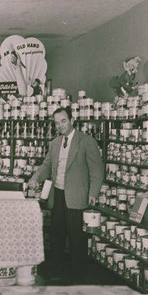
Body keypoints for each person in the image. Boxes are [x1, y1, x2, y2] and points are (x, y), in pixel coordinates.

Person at [28, 107, 104, 284]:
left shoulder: (86, 141)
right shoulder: (54, 143)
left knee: (77, 238)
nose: (60, 125)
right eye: (56, 122)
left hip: (77, 196)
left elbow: (97, 170)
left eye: (63, 121)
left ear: (72, 120)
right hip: (58, 195)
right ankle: (56, 270)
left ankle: (78, 275)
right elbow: (47, 165)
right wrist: (36, 178)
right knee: (57, 235)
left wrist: (93, 193)